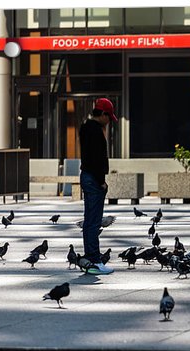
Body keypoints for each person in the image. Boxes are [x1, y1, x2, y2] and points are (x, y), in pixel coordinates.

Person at [79, 98, 117, 275]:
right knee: (94, 221)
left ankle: (90, 258)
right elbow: (95, 158)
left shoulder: (86, 127)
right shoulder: (94, 130)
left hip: (87, 176)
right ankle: (94, 260)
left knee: (89, 221)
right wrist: (101, 181)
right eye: (109, 116)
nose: (109, 120)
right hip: (93, 179)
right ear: (102, 114)